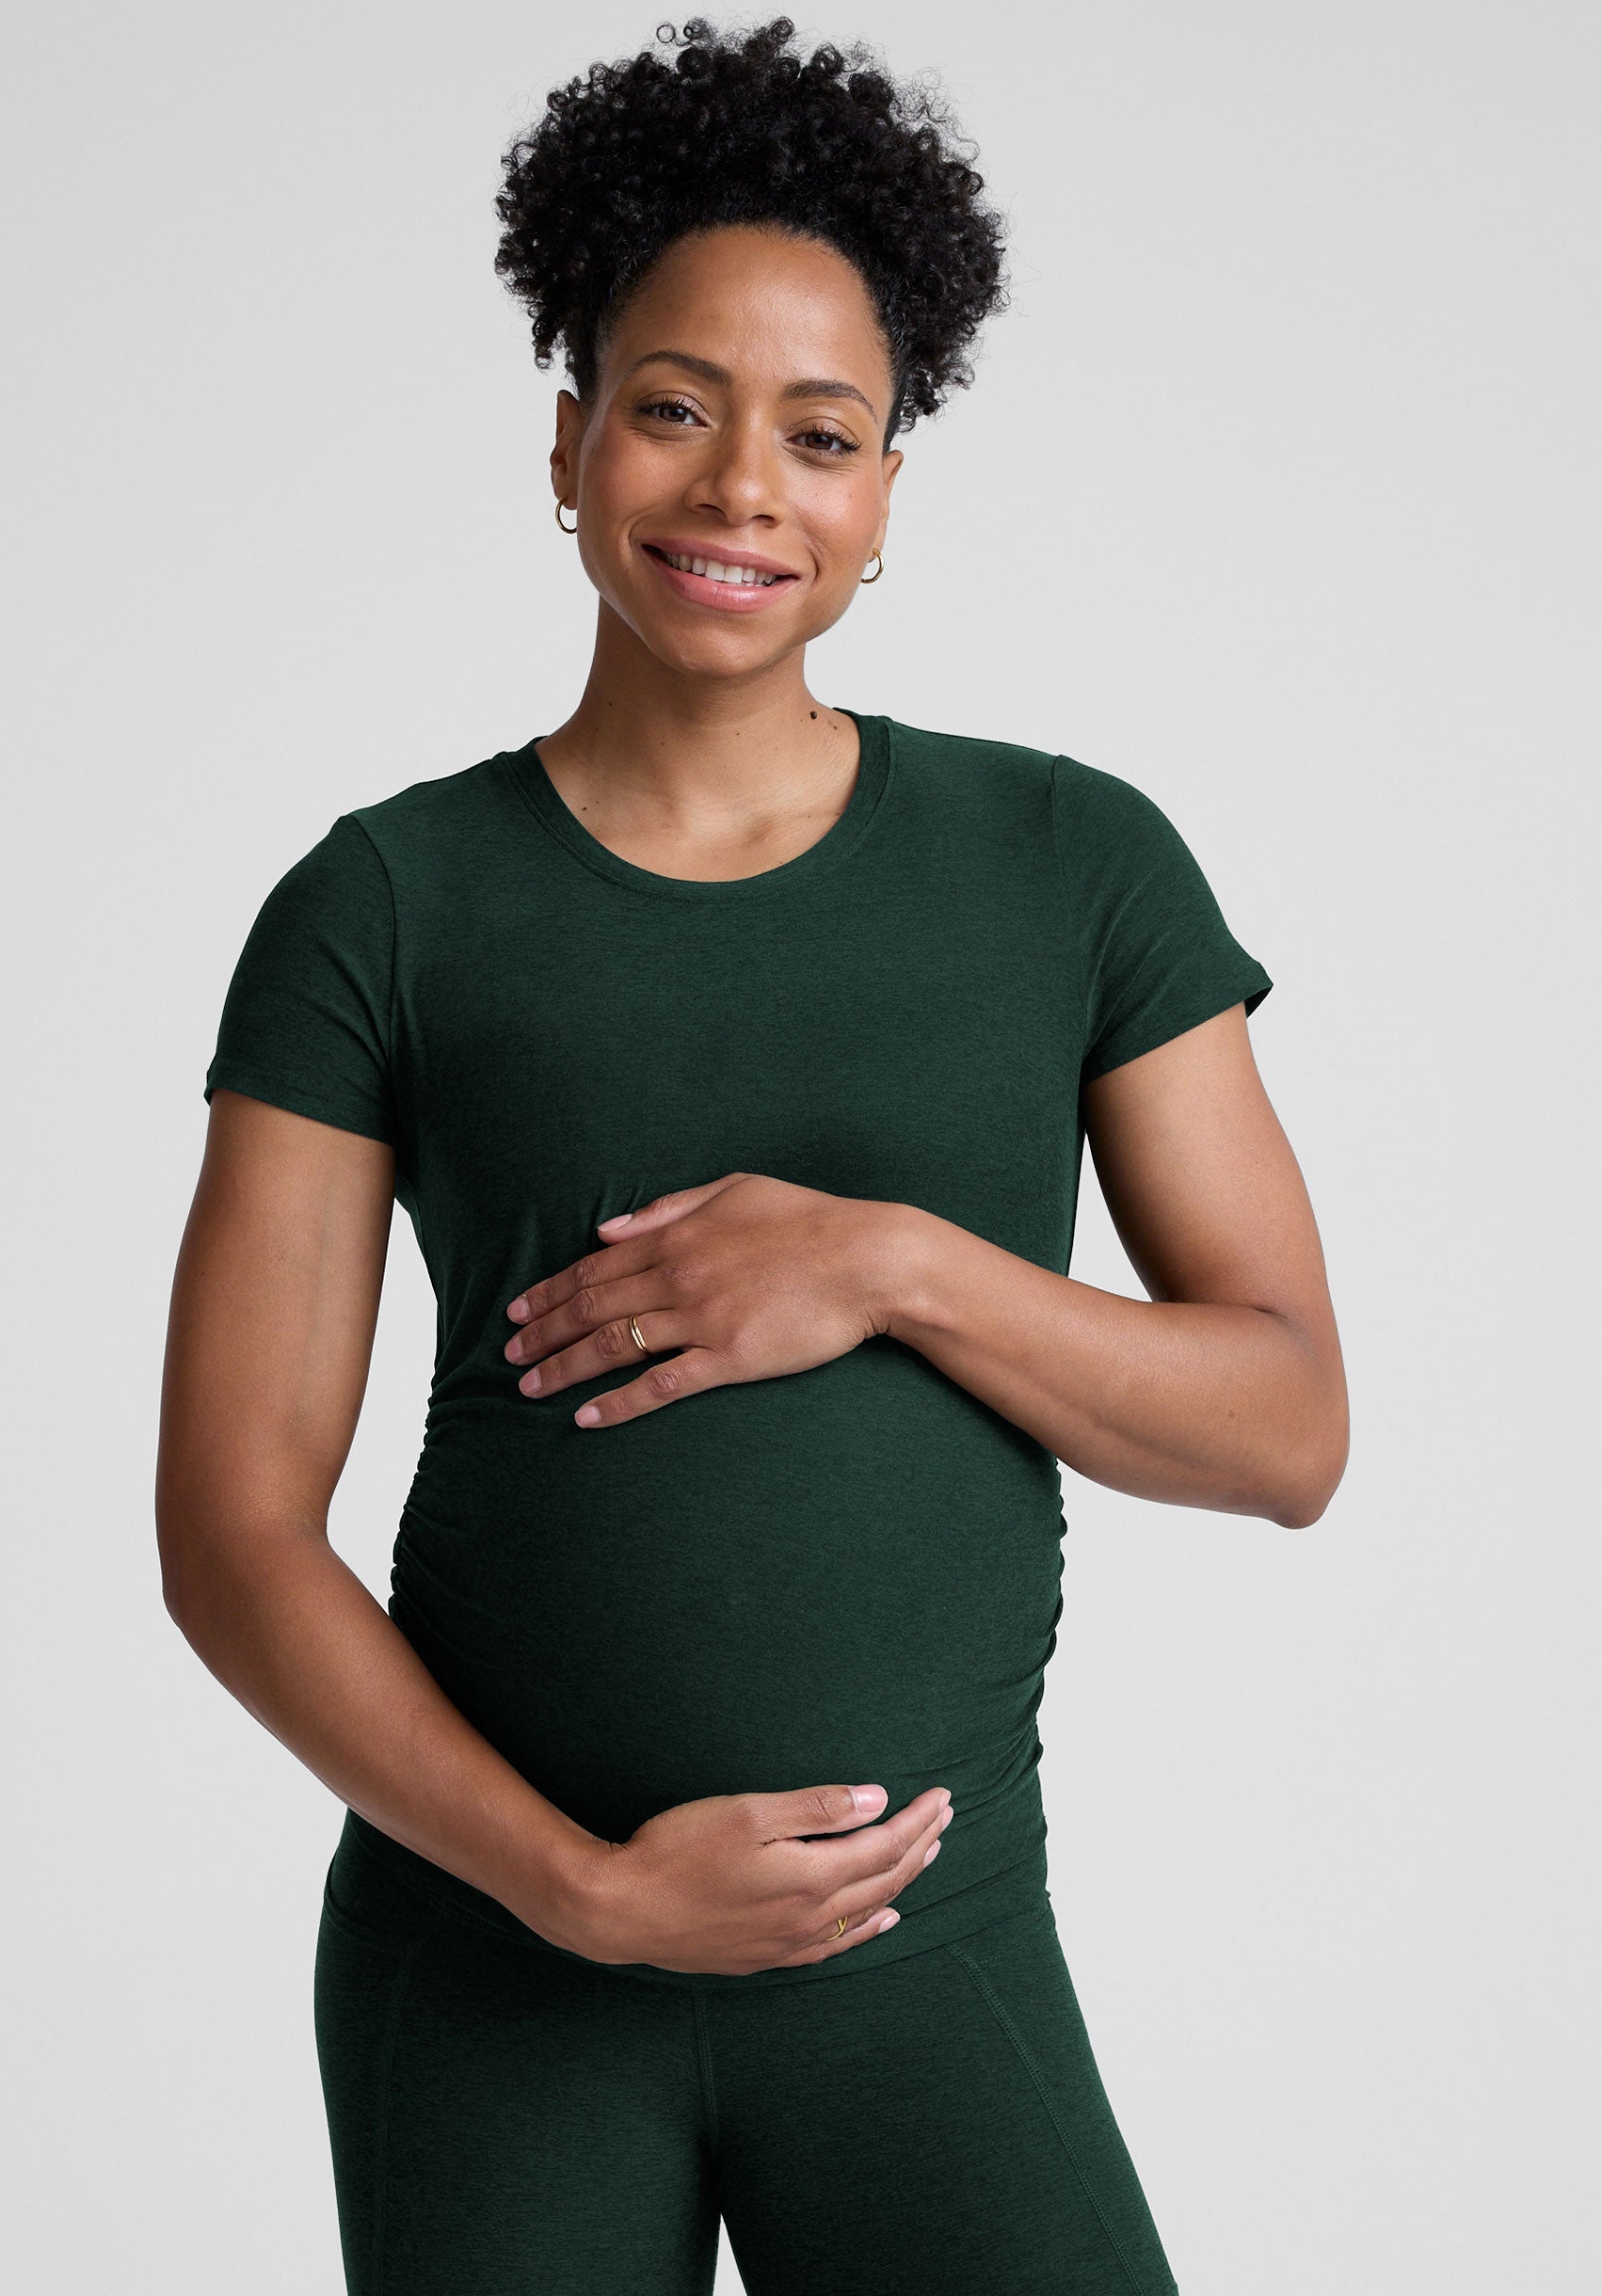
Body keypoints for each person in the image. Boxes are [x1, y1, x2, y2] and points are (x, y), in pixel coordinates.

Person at [156, 18, 1348, 2293]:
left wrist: (899, 1261)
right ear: (572, 438)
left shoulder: (1075, 866)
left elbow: (1289, 1424)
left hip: (926, 1959)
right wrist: (578, 1885)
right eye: (674, 405)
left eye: (824, 434)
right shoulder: (382, 905)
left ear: (891, 492)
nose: (740, 491)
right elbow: (228, 1529)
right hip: (492, 1971)